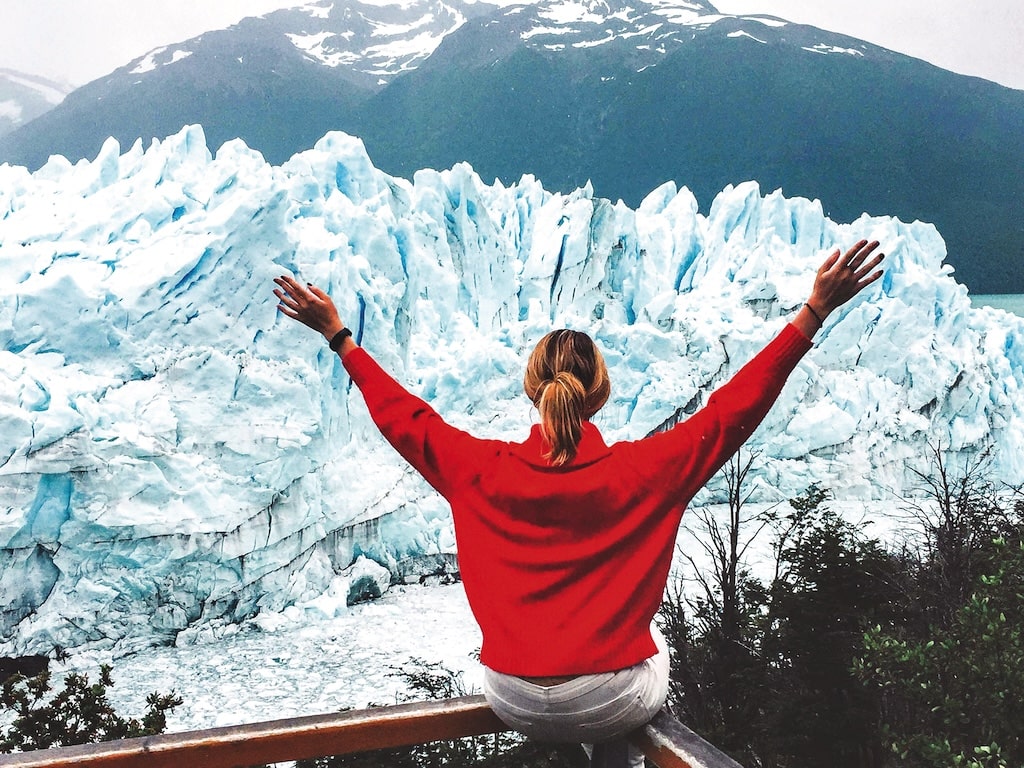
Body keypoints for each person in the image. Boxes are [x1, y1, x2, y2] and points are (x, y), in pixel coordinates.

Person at [273, 239, 884, 766]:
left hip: (510, 693)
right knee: (655, 651)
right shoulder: (647, 472)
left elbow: (406, 418)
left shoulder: (478, 470)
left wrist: (339, 336)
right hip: (609, 699)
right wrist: (811, 314)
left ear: (531, 388)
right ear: (600, 393)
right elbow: (731, 412)